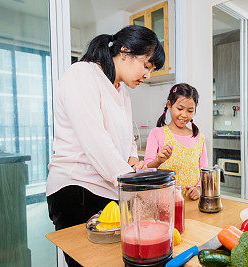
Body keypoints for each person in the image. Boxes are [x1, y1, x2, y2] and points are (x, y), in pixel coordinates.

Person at [46, 25, 165, 266]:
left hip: (108, 190)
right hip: (77, 190)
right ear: (125, 51)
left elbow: (128, 139)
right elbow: (95, 141)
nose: (147, 75)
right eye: (146, 66)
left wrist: (133, 161)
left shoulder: (122, 92)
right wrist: (132, 184)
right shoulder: (82, 74)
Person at [144, 83, 208, 200]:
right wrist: (158, 161)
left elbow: (204, 171)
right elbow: (147, 170)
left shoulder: (199, 137)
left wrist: (198, 189)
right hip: (163, 201)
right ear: (169, 105)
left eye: (189, 111)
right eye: (180, 108)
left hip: (190, 202)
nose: (184, 115)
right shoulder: (157, 133)